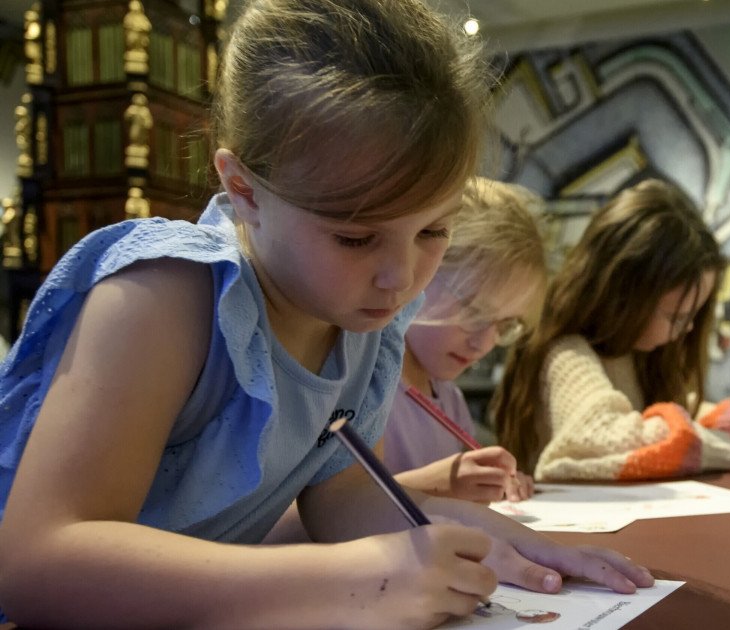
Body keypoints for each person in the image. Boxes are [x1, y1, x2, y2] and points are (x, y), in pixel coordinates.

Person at [0, 1, 652, 627]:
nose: (402, 279)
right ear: (244, 190)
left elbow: (337, 495)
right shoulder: (166, 296)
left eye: (434, 231)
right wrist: (339, 581)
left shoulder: (361, 320)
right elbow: (35, 564)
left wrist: (506, 542)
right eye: (355, 237)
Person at [493, 179, 730, 481]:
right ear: (624, 294)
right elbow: (601, 437)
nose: (686, 331)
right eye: (676, 316)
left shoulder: (630, 352)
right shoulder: (565, 352)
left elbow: (680, 412)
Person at [385, 177, 542, 503]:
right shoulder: (365, 388)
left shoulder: (450, 400)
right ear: (423, 269)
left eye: (504, 326)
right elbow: (320, 512)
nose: (484, 344)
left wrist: (493, 482)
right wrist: (433, 487)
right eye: (475, 312)